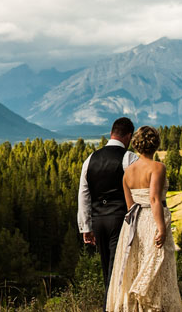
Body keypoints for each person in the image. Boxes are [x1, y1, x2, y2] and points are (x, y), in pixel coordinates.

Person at [105, 126, 182, 312]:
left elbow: (130, 205)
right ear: (155, 144)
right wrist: (161, 228)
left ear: (137, 145)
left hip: (133, 223)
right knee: (157, 267)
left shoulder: (128, 172)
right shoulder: (158, 167)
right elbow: (154, 198)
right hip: (152, 220)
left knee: (135, 265)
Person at [77, 117, 138, 308]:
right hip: (120, 219)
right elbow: (136, 191)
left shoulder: (90, 159)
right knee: (118, 269)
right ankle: (110, 307)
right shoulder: (129, 158)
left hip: (98, 220)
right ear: (128, 136)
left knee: (107, 268)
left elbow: (84, 194)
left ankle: (110, 306)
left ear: (112, 133)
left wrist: (86, 227)